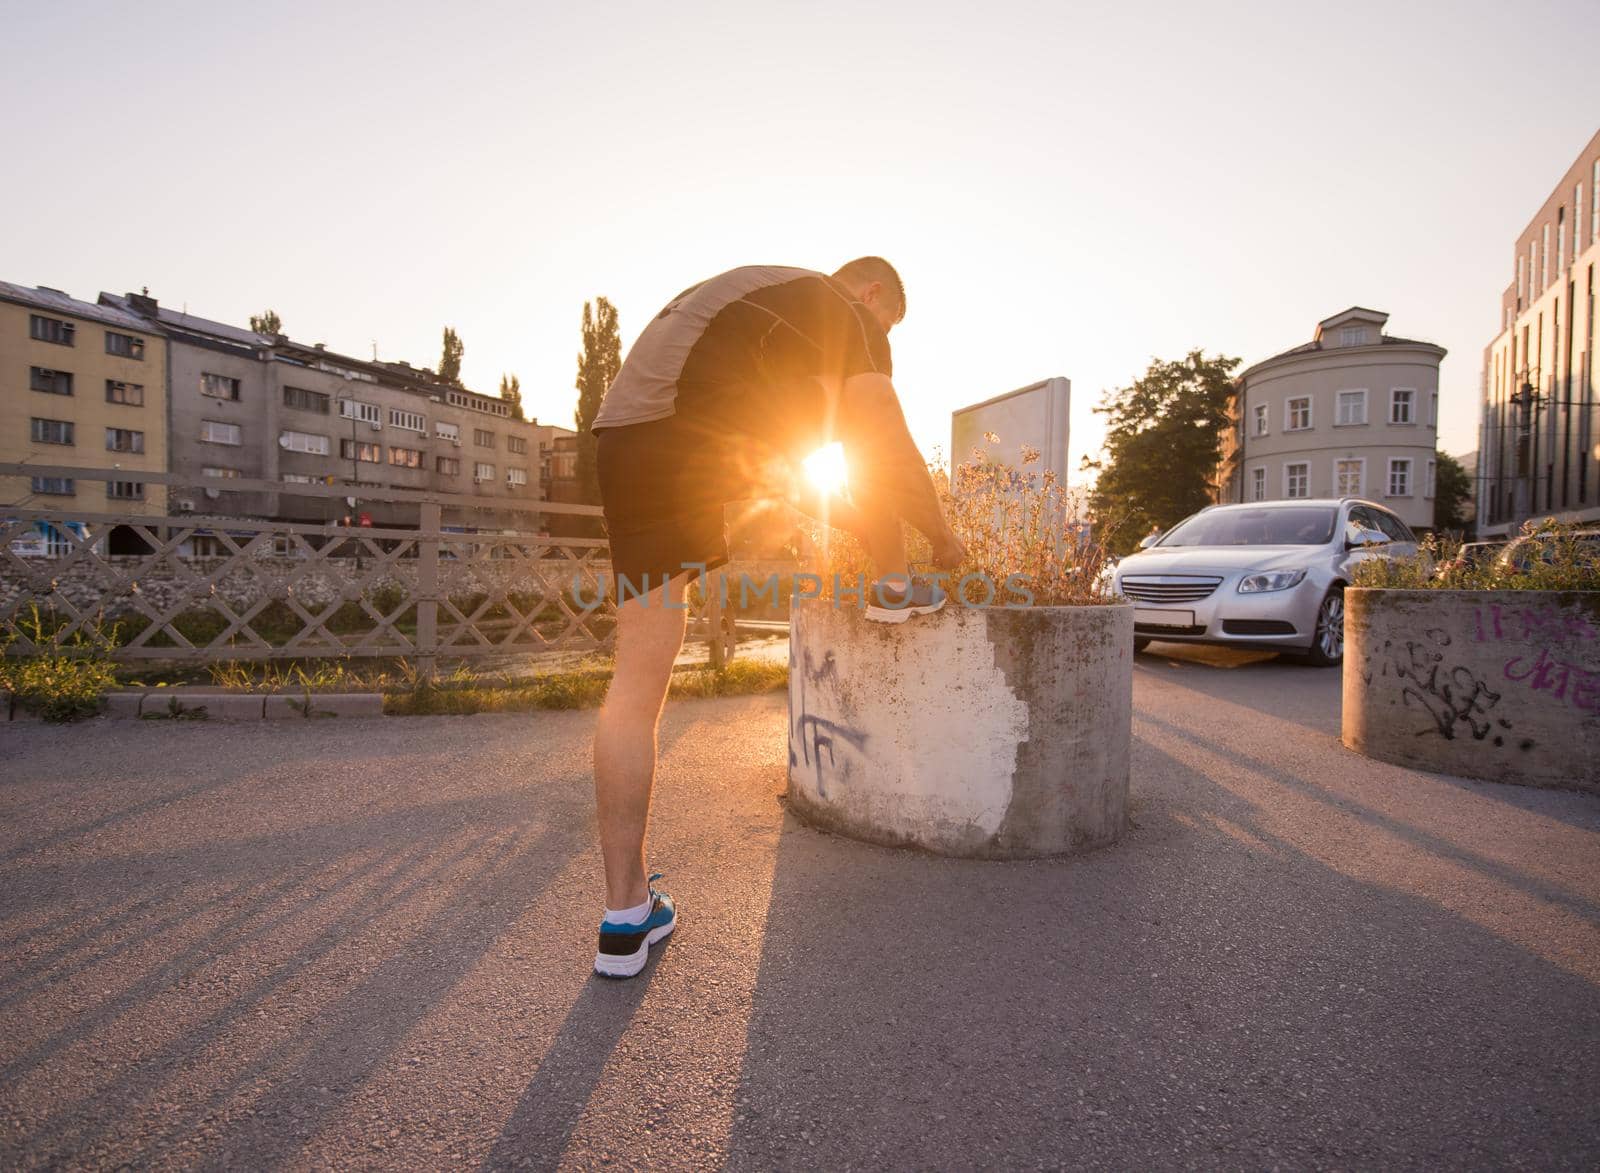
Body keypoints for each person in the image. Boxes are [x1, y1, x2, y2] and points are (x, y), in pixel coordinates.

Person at [588, 257, 966, 977]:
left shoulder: (770, 314)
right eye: (888, 327)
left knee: (634, 683)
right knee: (868, 424)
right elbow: (883, 433)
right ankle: (894, 585)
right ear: (873, 293)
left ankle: (624, 919)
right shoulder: (841, 310)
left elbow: (784, 472)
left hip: (628, 436)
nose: (883, 344)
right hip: (684, 430)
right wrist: (944, 540)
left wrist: (860, 521)